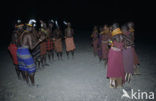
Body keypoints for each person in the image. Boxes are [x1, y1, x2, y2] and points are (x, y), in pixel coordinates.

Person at [16, 20, 45, 86]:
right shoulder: (28, 34)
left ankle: (27, 83)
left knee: (24, 68)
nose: (32, 28)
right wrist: (40, 40)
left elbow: (18, 44)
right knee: (32, 69)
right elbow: (31, 48)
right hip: (24, 52)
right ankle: (33, 84)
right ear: (29, 27)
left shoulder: (21, 33)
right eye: (32, 27)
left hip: (19, 51)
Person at [107, 23, 125, 88]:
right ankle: (119, 83)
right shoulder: (122, 35)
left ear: (114, 28)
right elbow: (123, 45)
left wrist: (109, 41)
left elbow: (109, 44)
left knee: (113, 67)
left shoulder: (113, 35)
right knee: (119, 67)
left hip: (113, 53)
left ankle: (113, 84)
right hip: (120, 53)